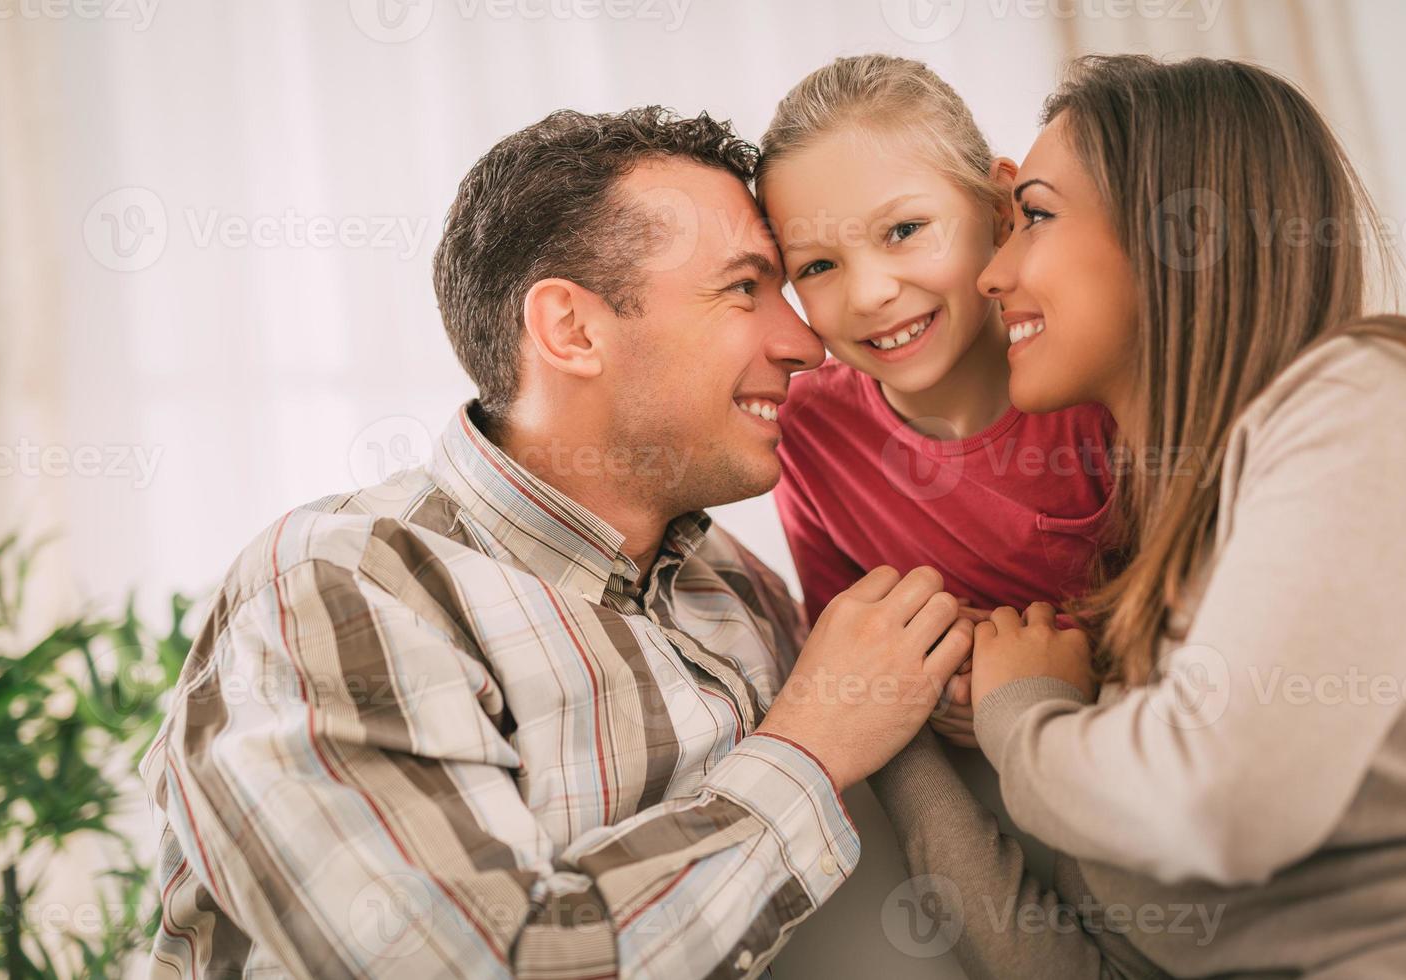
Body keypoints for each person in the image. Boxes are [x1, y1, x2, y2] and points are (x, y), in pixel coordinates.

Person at [138, 106, 973, 979]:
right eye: (743, 289)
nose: (805, 342)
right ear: (571, 330)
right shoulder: (344, 586)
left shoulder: (734, 588)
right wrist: (808, 751)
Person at [871, 54, 1406, 978]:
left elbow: (1222, 808)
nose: (993, 273)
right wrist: (884, 728)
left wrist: (1023, 719)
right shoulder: (1158, 557)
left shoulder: (1368, 400)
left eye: (1035, 216)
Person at [757, 55, 1116, 748]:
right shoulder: (810, 434)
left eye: (904, 231)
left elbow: (1201, 615)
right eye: (819, 267)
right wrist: (940, 682)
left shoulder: (1095, 385)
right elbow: (853, 651)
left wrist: (1032, 674)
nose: (869, 295)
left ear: (999, 210)